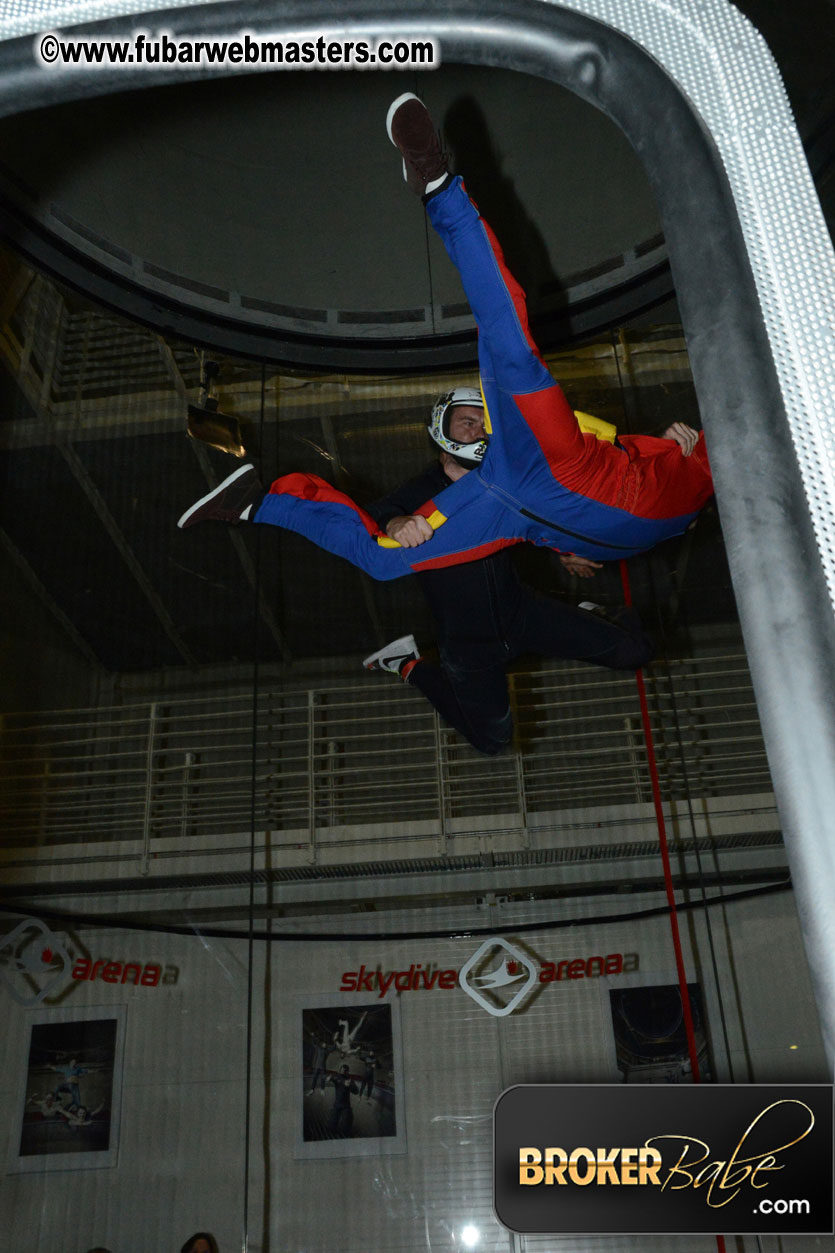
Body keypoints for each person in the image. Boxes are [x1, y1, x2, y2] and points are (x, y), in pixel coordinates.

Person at [178, 95, 712, 588]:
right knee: (509, 358)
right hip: (533, 493)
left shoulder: (510, 461)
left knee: (509, 354)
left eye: (474, 414)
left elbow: (614, 448)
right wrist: (404, 521)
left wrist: (654, 450)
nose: (476, 420)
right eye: (465, 421)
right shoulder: (715, 468)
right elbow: (401, 517)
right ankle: (439, 184)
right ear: (443, 441)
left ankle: (259, 503)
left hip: (548, 483)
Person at [360, 386, 656, 752]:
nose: (478, 430)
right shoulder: (423, 490)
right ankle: (407, 664)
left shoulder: (500, 483)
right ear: (442, 430)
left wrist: (565, 549)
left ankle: (598, 616)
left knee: (635, 653)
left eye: (484, 424)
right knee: (492, 742)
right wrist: (395, 523)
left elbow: (540, 518)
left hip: (523, 614)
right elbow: (375, 514)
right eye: (468, 422)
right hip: (469, 645)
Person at [327, 1065, 359, 1137]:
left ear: (348, 1072)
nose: (342, 1073)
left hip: (346, 1106)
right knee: (331, 1126)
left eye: (344, 1071)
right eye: (341, 1071)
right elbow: (333, 1078)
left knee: (347, 1125)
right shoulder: (337, 1077)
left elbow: (356, 1091)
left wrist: (350, 1085)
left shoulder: (350, 1080)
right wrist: (329, 1078)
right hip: (337, 1104)